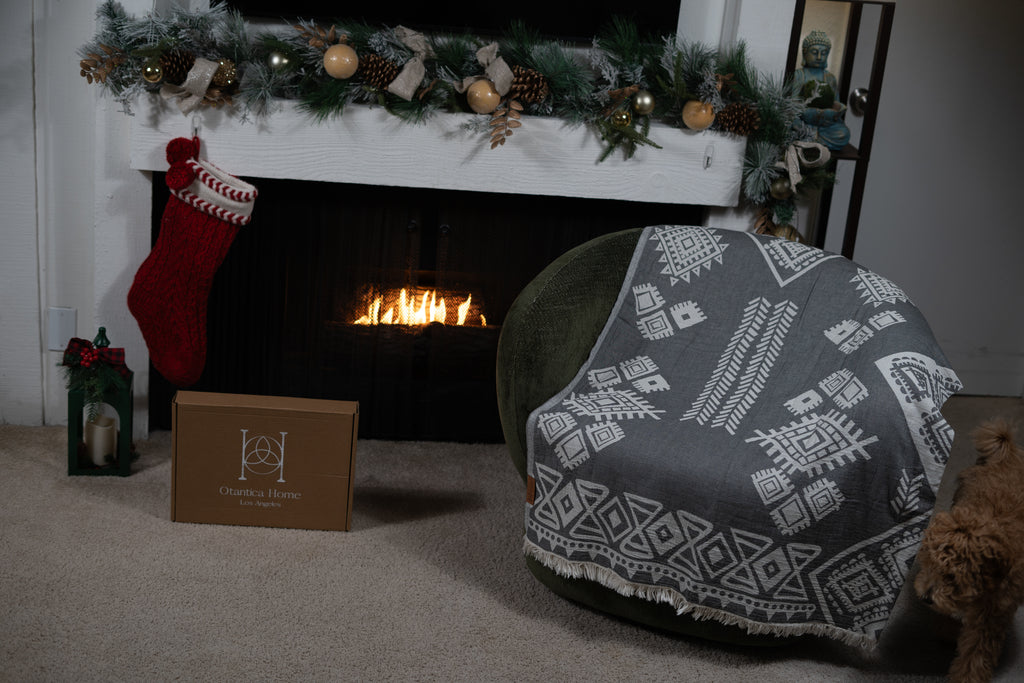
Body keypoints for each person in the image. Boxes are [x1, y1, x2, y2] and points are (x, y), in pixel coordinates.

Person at [791, 30, 850, 151]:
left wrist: (834, 116)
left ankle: (811, 140)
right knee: (790, 128)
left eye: (823, 53)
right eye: (814, 52)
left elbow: (835, 105)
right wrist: (797, 121)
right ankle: (811, 139)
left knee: (843, 133)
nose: (819, 57)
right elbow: (791, 105)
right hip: (803, 122)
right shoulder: (799, 75)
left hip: (824, 126)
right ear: (805, 53)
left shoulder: (830, 78)